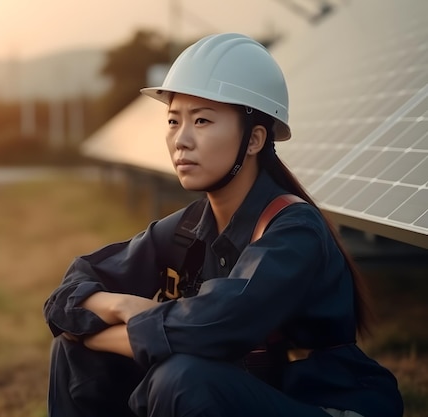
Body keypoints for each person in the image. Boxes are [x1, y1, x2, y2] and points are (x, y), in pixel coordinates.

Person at [43, 33, 403, 417]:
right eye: (172, 120)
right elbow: (69, 292)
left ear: (254, 139)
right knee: (72, 352)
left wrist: (105, 333)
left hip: (321, 404)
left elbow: (214, 326)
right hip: (251, 394)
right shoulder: (190, 227)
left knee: (182, 378)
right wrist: (121, 305)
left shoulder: (294, 230)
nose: (181, 140)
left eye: (201, 120)